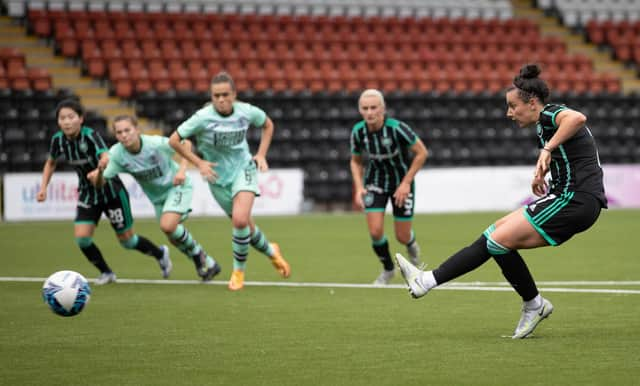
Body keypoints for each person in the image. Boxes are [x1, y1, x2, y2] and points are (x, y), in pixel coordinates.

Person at [395, 63, 607, 339]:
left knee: (499, 241)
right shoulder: (545, 126)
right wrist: (543, 170)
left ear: (532, 103)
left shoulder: (550, 113)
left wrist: (547, 150)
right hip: (568, 196)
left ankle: (534, 304)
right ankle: (427, 280)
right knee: (493, 234)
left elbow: (577, 118)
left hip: (575, 200)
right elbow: (575, 154)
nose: (508, 113)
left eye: (512, 106)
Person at [168, 71, 291, 291]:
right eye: (216, 95)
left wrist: (261, 154)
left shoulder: (246, 111)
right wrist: (199, 163)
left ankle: (238, 272)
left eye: (225, 94)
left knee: (240, 221)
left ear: (234, 94)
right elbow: (174, 140)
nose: (221, 99)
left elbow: (268, 125)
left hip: (243, 169)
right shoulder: (202, 118)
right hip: (217, 178)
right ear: (211, 96)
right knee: (247, 230)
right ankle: (272, 252)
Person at [37, 99, 171, 285]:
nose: (66, 122)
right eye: (62, 118)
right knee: (82, 239)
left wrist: (102, 165)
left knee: (127, 241)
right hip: (87, 193)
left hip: (111, 191)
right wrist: (43, 188)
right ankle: (106, 272)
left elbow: (106, 154)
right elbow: (51, 162)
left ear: (81, 119)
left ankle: (160, 253)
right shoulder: (58, 141)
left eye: (71, 117)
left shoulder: (90, 136)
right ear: (58, 121)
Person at [87, 115, 221, 281]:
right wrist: (99, 171)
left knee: (168, 225)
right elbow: (100, 184)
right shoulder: (117, 154)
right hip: (157, 199)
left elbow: (186, 143)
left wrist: (182, 170)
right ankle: (207, 262)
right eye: (119, 132)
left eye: (127, 130)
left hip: (178, 186)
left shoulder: (154, 143)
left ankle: (198, 255)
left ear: (137, 130)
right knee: (173, 237)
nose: (124, 135)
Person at [350, 89, 428, 285]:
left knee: (402, 236)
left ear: (383, 109)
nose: (369, 112)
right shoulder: (358, 131)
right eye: (365, 108)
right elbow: (356, 161)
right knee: (375, 232)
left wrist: (406, 182)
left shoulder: (397, 128)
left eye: (374, 108)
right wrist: (359, 187)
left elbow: (421, 153)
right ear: (360, 110)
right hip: (375, 183)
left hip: (401, 184)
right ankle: (388, 269)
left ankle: (412, 248)